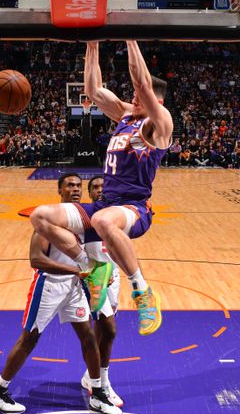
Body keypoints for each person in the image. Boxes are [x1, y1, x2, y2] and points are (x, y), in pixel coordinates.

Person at [30, 41, 172, 336]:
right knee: (40, 217)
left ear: (155, 102)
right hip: (104, 204)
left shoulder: (159, 124)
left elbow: (143, 82)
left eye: (138, 96)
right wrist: (92, 43)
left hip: (133, 208)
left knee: (102, 220)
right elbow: (93, 90)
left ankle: (142, 292)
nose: (132, 97)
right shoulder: (124, 115)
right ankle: (92, 267)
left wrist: (130, 38)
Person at [0, 173, 121, 414]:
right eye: (70, 185)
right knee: (29, 339)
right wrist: (77, 270)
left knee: (89, 336)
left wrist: (101, 272)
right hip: (48, 286)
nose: (76, 189)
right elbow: (36, 260)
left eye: (79, 185)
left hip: (74, 287)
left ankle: (98, 394)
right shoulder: (49, 220)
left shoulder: (82, 221)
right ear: (60, 190)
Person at [80, 175, 123, 407]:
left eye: (103, 187)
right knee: (110, 328)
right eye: (95, 187)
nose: (99, 190)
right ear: (90, 194)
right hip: (93, 279)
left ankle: (90, 375)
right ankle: (102, 384)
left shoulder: (117, 216)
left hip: (113, 278)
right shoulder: (86, 215)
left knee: (104, 331)